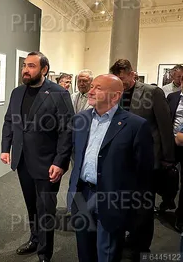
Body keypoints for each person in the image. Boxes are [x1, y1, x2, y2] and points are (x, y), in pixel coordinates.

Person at [68, 74, 154, 262]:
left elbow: (143, 173)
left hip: (112, 197)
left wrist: (135, 208)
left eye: (97, 88)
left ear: (115, 96)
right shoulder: (80, 119)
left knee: (106, 253)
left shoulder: (135, 125)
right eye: (92, 86)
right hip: (82, 193)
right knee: (84, 250)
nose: (90, 91)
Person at [1, 51, 74, 262]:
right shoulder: (17, 93)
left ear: (44, 70)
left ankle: (45, 252)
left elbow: (66, 130)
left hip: (47, 163)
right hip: (22, 160)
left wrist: (60, 161)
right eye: (25, 65)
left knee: (46, 210)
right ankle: (34, 239)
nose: (26, 69)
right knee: (31, 205)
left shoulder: (59, 93)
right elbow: (9, 121)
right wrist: (6, 147)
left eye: (31, 66)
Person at [110, 59, 175, 257]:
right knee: (123, 203)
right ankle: (127, 238)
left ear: (132, 74)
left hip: (146, 159)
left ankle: (142, 248)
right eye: (117, 79)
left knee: (143, 207)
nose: (121, 83)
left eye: (123, 78)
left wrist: (168, 157)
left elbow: (164, 126)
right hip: (121, 161)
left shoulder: (152, 92)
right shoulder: (114, 93)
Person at [167, 81, 183, 231]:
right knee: (167, 174)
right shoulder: (172, 97)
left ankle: (180, 216)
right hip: (171, 143)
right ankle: (167, 201)